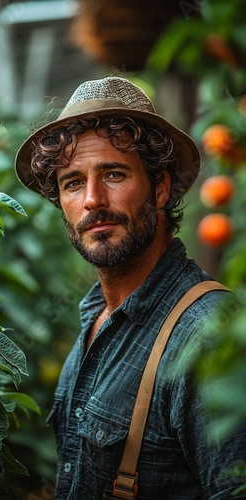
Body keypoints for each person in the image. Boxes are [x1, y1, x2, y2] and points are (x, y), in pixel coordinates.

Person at [15, 77, 246, 499]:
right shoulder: (95, 319)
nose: (92, 199)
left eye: (114, 173)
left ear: (159, 187)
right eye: (72, 182)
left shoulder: (206, 335)